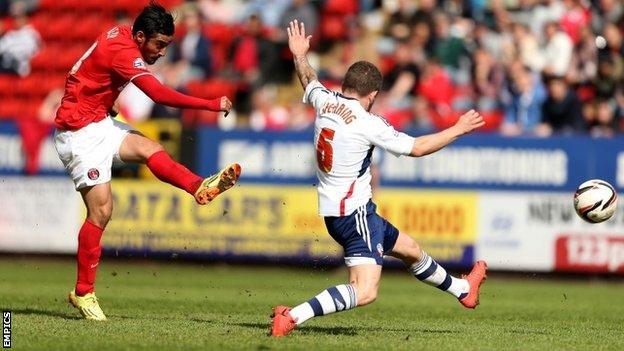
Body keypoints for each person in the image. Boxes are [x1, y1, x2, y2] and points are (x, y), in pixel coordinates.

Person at [270, 20, 487, 337]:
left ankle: (462, 289)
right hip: (353, 214)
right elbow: (417, 147)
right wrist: (458, 129)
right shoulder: (368, 123)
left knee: (410, 249)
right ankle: (293, 316)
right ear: (372, 94)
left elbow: (308, 79)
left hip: (338, 212)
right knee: (365, 290)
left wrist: (299, 54)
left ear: (345, 85)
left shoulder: (323, 100)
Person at [53, 2, 242, 321]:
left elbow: (90, 72)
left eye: (167, 45)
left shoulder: (123, 36)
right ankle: (84, 293)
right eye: (159, 45)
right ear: (140, 37)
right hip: (78, 132)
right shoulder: (124, 50)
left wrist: (102, 99)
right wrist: (210, 104)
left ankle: (198, 187)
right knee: (101, 211)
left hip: (96, 119)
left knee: (148, 148)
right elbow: (158, 94)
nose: (163, 52)